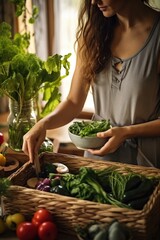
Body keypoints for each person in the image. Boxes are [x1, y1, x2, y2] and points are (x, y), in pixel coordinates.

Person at [22, 0, 160, 168]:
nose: (94, 2)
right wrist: (43, 124)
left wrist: (126, 132)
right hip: (97, 163)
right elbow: (73, 102)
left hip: (146, 166)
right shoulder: (93, 34)